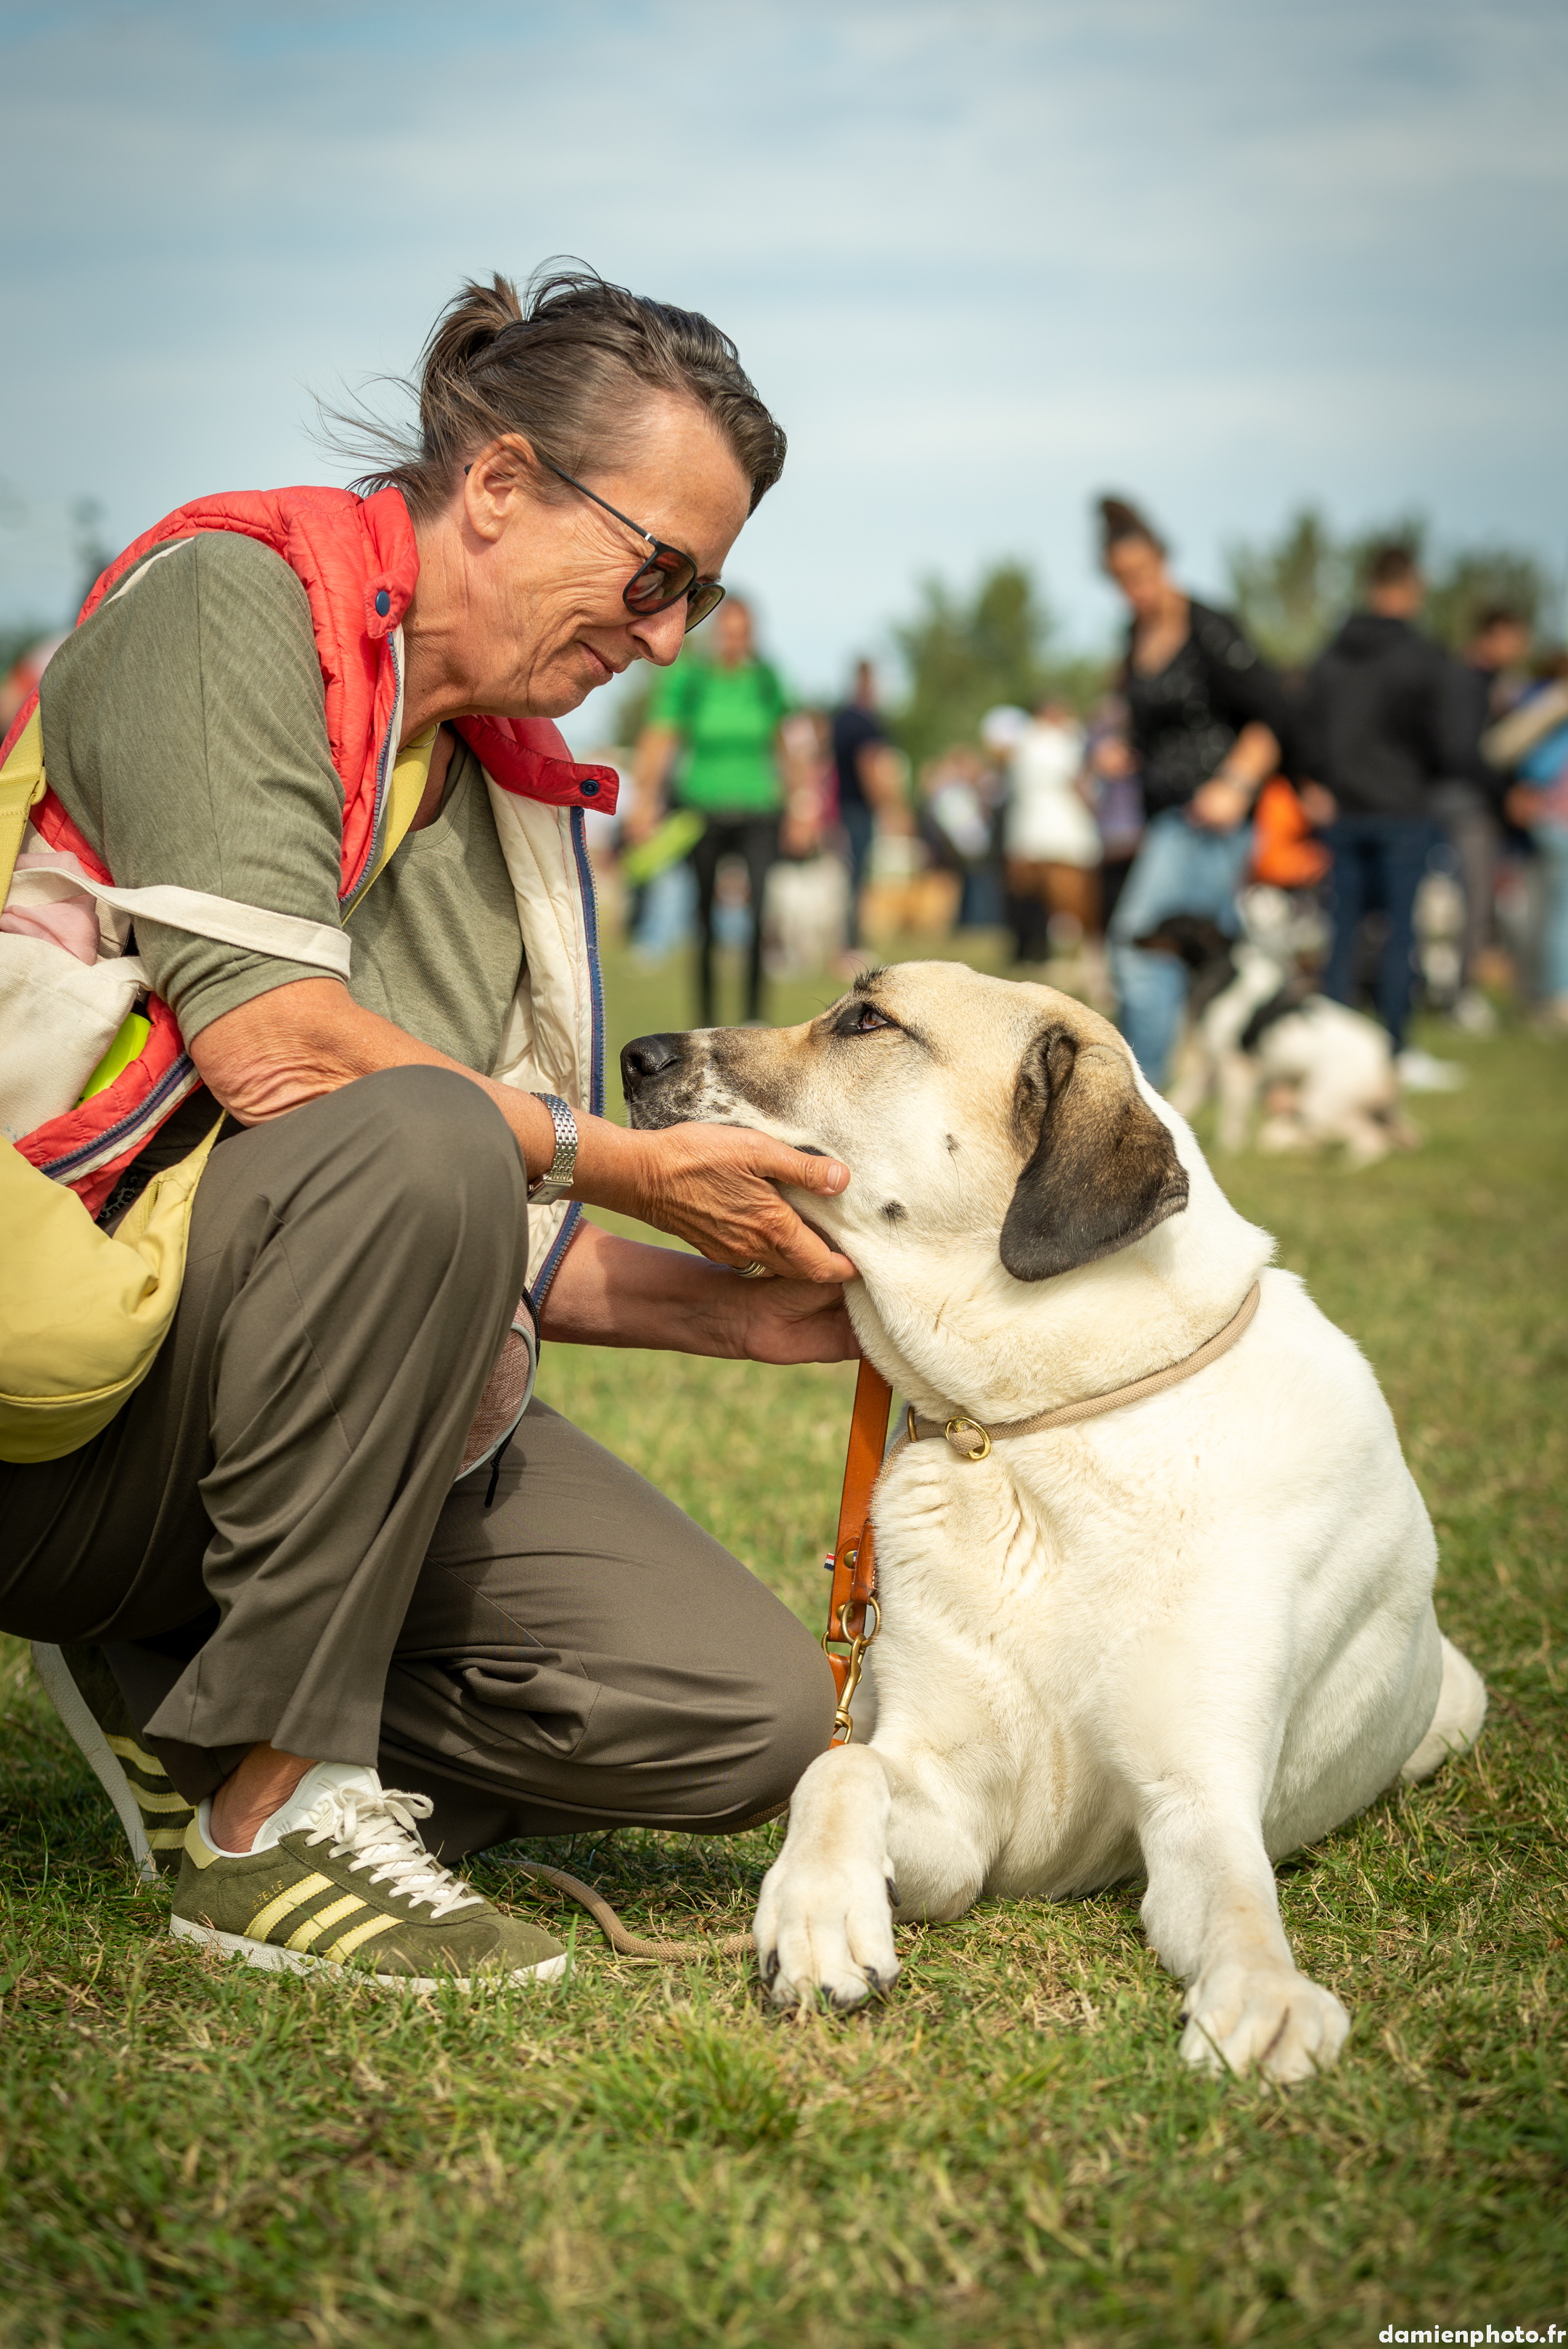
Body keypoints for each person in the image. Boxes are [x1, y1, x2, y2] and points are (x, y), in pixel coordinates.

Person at [0, 267, 859, 1989]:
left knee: (740, 1716)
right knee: (429, 1130)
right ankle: (276, 1815)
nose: (667, 636)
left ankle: (179, 1692)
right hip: (59, 1415)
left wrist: (739, 1314)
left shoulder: (497, 778)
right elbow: (288, 1061)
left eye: (701, 594)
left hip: (243, 1388)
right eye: (658, 572)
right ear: (500, 484)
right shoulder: (227, 601)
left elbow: (452, 1222)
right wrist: (636, 1167)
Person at [1098, 497, 1289, 1087]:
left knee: (1139, 945)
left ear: (1163, 561)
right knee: (1207, 958)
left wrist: (1236, 783)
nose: (1134, 589)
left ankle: (1140, 1090)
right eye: (1121, 580)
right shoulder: (1134, 637)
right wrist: (1124, 750)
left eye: (1141, 574)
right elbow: (1156, 725)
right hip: (1165, 816)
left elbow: (1276, 713)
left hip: (1208, 820)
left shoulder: (1209, 627)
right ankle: (1220, 1076)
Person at [1300, 544, 1477, 1082]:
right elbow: (1452, 743)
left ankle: (1332, 1054)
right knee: (1401, 935)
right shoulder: (1424, 658)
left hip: (1343, 811)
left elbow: (1305, 727)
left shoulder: (1331, 655)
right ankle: (1395, 1050)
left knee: (1344, 935)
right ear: (1410, 587)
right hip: (1403, 812)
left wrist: (1318, 780)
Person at [629, 595, 793, 1024]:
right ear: (718, 633)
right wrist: (644, 801)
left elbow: (786, 743)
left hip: (760, 809)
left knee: (758, 914)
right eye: (728, 633)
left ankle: (754, 1018)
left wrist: (803, 802)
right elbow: (662, 737)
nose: (734, 642)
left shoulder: (766, 680)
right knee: (703, 917)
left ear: (752, 636)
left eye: (742, 635)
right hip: (703, 810)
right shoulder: (694, 679)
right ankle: (706, 1019)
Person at [1431, 605, 1534, 1034]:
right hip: (1465, 806)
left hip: (1471, 803)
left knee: (1472, 902)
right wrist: (1506, 793)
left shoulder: (1494, 683)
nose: (1519, 648)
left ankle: (1457, 989)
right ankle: (1459, 995)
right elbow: (1464, 751)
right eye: (1513, 639)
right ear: (1491, 635)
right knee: (1471, 901)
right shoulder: (1464, 681)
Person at [1003, 696, 1103, 989]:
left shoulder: (1024, 743)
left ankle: (1063, 964)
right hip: (1063, 836)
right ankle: (1078, 966)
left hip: (1035, 835)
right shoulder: (1061, 742)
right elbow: (1080, 781)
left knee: (1058, 906)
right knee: (1073, 905)